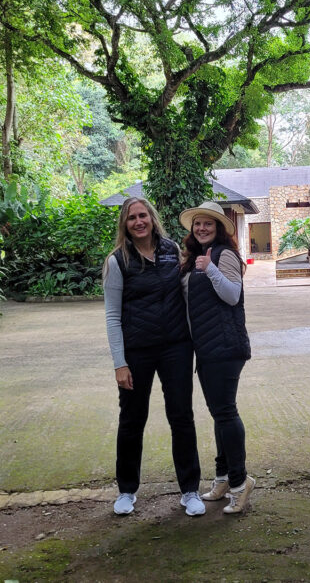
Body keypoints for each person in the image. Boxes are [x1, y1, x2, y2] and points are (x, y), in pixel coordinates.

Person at [103, 197, 204, 517]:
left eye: (143, 215)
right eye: (132, 217)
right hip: (137, 353)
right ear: (125, 223)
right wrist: (120, 362)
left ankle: (190, 490)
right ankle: (126, 490)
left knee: (181, 417)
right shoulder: (118, 261)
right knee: (132, 420)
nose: (138, 221)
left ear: (152, 218)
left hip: (176, 347)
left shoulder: (172, 250)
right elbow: (111, 316)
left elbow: (188, 294)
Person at [179, 201, 255, 514]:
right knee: (219, 414)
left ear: (219, 228)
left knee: (225, 412)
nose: (202, 228)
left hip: (225, 346)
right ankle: (223, 477)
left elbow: (232, 295)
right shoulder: (192, 259)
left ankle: (240, 483)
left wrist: (209, 269)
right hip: (206, 347)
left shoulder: (224, 256)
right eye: (198, 224)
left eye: (208, 223)